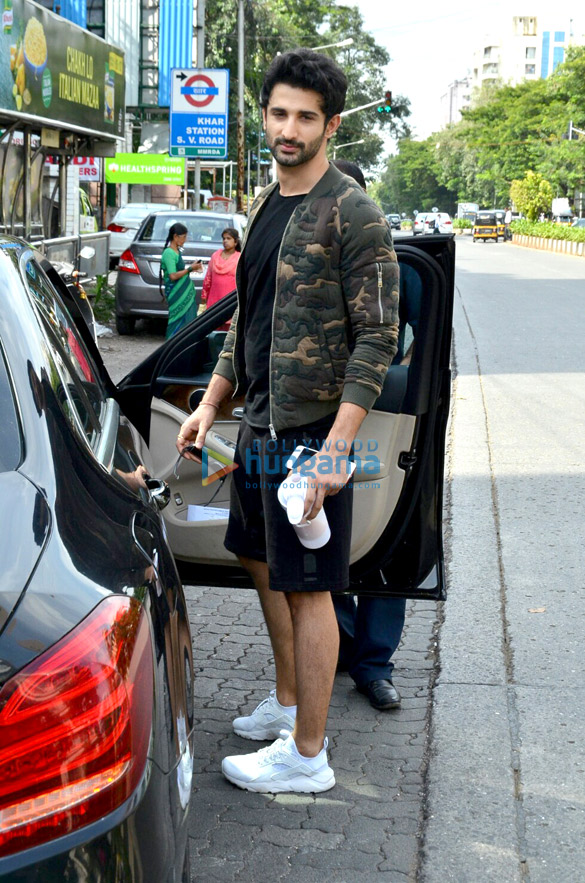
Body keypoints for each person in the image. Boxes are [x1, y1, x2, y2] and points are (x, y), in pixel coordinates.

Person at [176, 49, 399, 793]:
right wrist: (211, 402)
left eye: (306, 116)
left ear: (331, 125)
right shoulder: (267, 205)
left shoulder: (353, 210)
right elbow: (250, 318)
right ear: (263, 115)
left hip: (313, 433)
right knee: (260, 559)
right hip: (262, 425)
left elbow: (378, 335)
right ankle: (286, 701)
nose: (289, 128)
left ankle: (307, 754)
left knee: (309, 585)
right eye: (278, 113)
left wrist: (338, 450)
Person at [330, 158, 410, 711]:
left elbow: (403, 348)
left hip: (381, 423)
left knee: (386, 549)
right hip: (316, 421)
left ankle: (373, 664)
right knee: (318, 542)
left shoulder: (394, 265)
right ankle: (341, 644)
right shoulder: (303, 260)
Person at [160, 222, 202, 339]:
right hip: (176, 294)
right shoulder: (169, 253)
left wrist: (193, 267)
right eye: (183, 237)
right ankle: (171, 347)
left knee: (188, 322)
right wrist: (190, 269)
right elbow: (173, 276)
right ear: (175, 237)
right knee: (176, 321)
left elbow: (179, 271)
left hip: (184, 295)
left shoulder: (177, 251)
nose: (185, 240)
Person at [199, 227, 241, 330]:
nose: (225, 241)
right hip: (214, 301)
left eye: (228, 238)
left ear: (235, 242)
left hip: (230, 303)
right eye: (224, 238)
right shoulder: (215, 256)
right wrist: (204, 297)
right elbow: (208, 278)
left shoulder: (239, 258)